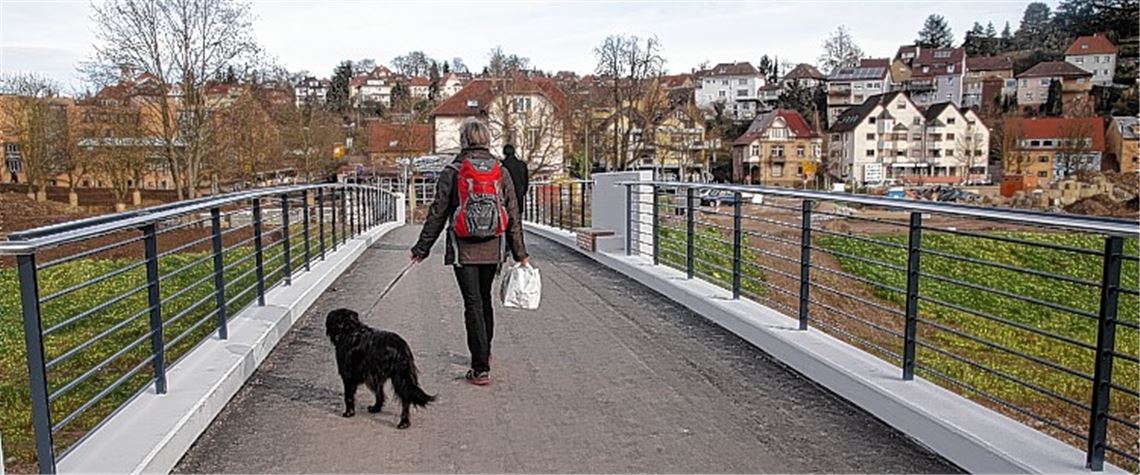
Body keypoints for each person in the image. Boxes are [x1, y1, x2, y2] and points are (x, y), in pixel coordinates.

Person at [410, 118, 528, 386]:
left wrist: (422, 248)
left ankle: (480, 366)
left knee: (472, 302)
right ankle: (484, 353)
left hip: (463, 249)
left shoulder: (453, 170)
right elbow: (513, 214)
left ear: (463, 140)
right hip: (494, 247)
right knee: (485, 300)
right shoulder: (500, 170)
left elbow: (437, 213)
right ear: (486, 139)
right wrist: (520, 252)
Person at [500, 143, 529, 256]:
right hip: (518, 197)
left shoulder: (502, 166)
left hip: (504, 198)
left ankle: (506, 246)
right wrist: (522, 193)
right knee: (517, 223)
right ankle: (518, 246)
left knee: (505, 221)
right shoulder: (522, 165)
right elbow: (526, 182)